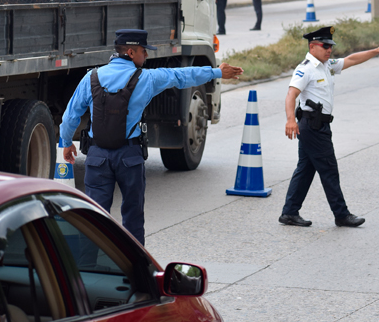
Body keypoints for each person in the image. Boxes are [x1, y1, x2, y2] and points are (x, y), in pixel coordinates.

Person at [59, 29, 243, 245]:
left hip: (97, 156)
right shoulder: (147, 78)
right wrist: (217, 72)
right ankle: (136, 268)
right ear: (130, 51)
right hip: (129, 156)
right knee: (133, 215)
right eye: (143, 51)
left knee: (95, 217)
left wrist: (66, 142)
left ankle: (89, 268)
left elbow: (70, 115)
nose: (146, 56)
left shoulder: (91, 78)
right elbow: (182, 76)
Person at [280, 26, 379, 228]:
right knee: (329, 170)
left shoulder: (326, 65)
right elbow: (291, 94)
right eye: (325, 46)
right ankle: (341, 215)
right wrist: (290, 119)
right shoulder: (306, 68)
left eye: (330, 46)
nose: (329, 50)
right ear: (312, 46)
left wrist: (376, 51)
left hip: (318, 125)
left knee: (306, 169)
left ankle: (289, 212)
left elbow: (351, 59)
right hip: (312, 126)